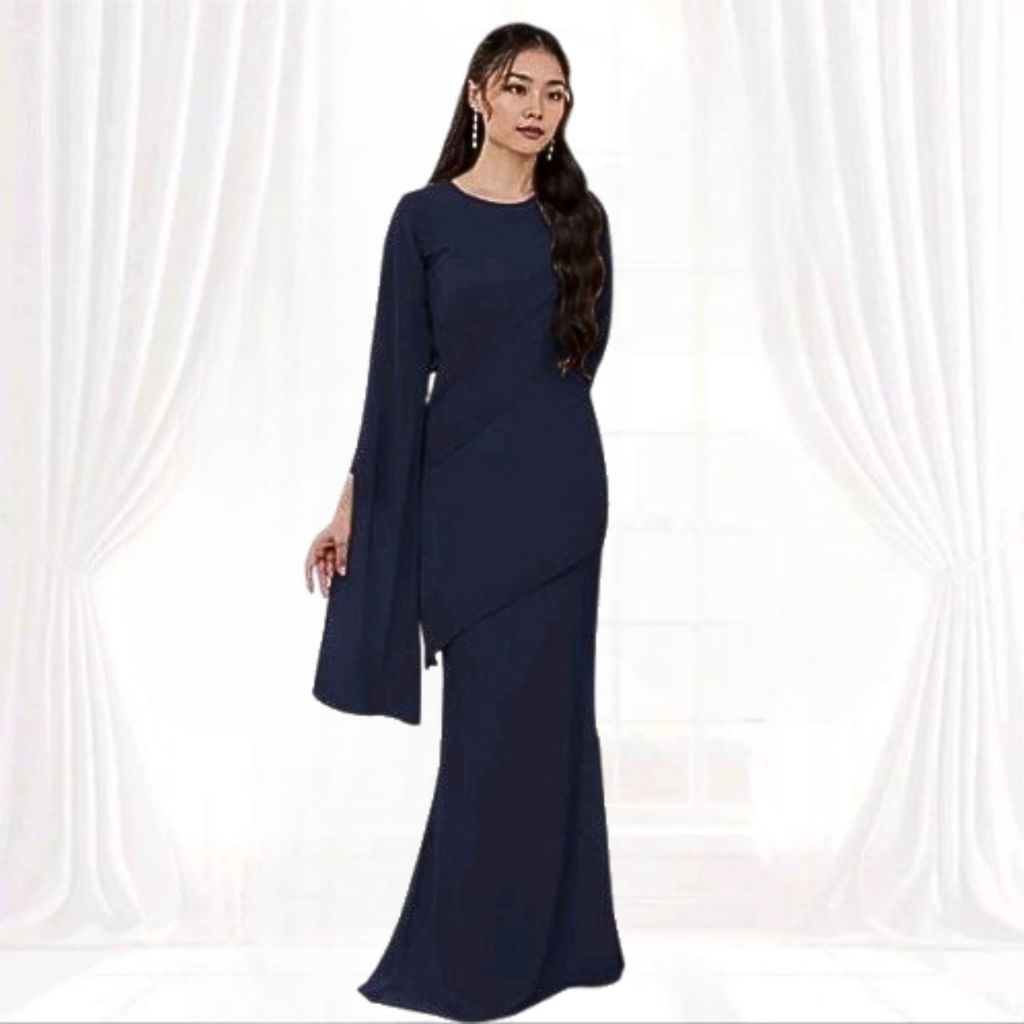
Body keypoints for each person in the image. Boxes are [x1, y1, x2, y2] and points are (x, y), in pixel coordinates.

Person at [303, 22, 624, 1021]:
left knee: (554, 732)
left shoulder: (581, 220)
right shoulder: (423, 219)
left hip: (561, 511)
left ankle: (559, 949)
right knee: (484, 740)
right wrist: (353, 506)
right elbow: (395, 382)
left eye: (554, 93)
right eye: (518, 87)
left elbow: (580, 364)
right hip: (464, 519)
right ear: (478, 94)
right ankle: (474, 958)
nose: (536, 107)